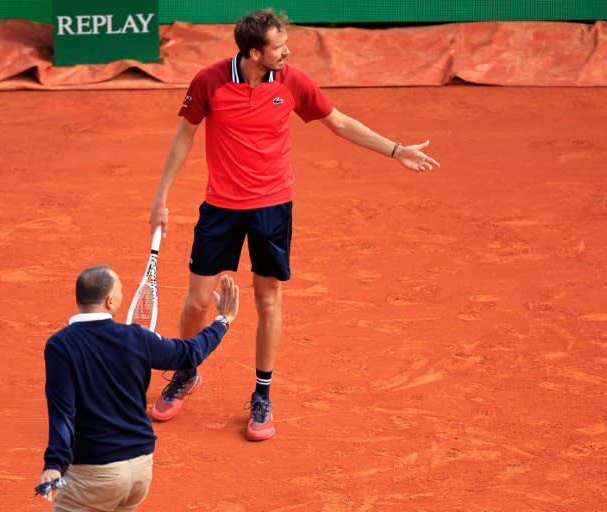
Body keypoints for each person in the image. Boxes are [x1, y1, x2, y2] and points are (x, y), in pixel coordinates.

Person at [148, 9, 440, 442]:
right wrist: (161, 197)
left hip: (272, 209)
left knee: (268, 300)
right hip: (221, 208)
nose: (287, 51)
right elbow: (184, 137)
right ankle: (186, 372)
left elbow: (339, 123)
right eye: (279, 46)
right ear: (253, 52)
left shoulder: (292, 82)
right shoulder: (209, 81)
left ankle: (262, 394)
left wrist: (395, 150)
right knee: (196, 302)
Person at [37, 265, 239, 511]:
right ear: (110, 301)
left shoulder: (60, 346)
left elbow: (63, 411)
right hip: (140, 470)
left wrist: (54, 464)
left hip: (96, 474)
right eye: (121, 290)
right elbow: (190, 353)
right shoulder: (137, 337)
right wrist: (223, 321)